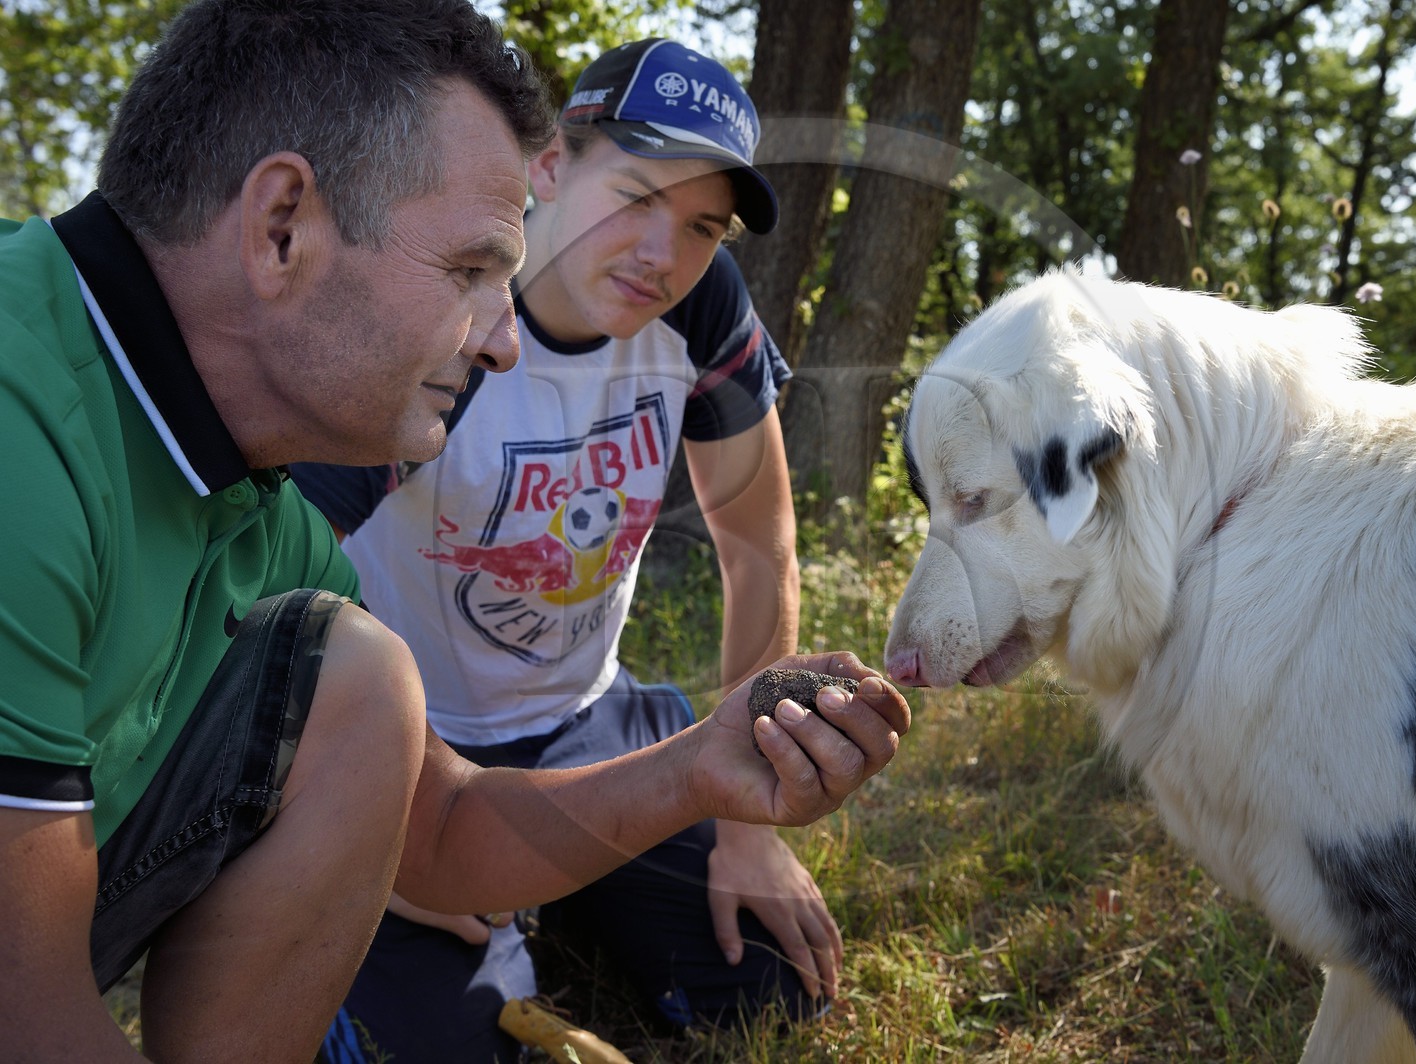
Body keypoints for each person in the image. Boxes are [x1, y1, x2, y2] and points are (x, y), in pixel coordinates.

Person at [0, 5, 911, 1063]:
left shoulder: (261, 508)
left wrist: (709, 767)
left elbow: (435, 831)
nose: (504, 343)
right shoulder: (26, 432)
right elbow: (27, 1018)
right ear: (282, 223)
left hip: (576, 721)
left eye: (703, 226)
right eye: (472, 270)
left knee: (358, 672)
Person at [291, 37, 829, 1062]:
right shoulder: (444, 313)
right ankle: (498, 900)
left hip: (593, 724)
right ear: (547, 167)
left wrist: (750, 827)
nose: (660, 253)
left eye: (700, 225)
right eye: (635, 195)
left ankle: (559, 891)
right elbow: (266, 577)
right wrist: (393, 837)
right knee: (437, 1048)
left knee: (766, 985)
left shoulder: (703, 308)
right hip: (407, 752)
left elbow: (760, 546)